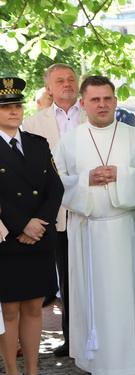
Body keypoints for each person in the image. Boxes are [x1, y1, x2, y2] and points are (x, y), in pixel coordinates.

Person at [54, 75, 135, 375]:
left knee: (130, 296)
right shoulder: (69, 141)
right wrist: (86, 179)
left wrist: (121, 175)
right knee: (93, 298)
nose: (102, 105)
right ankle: (96, 364)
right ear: (83, 103)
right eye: (95, 99)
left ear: (115, 101)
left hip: (127, 229)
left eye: (107, 98)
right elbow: (56, 182)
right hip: (89, 230)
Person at [0, 77, 63, 375]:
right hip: (7, 241)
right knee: (10, 309)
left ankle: (33, 372)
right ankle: (12, 373)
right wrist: (22, 225)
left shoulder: (37, 143)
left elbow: (55, 188)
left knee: (35, 307)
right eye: (6, 107)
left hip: (39, 237)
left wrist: (39, 224)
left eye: (17, 105)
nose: (14, 111)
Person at [22, 63, 86, 358]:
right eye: (59, 81)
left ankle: (97, 334)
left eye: (71, 79)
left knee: (94, 273)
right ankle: (72, 337)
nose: (67, 84)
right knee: (66, 277)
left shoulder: (91, 113)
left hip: (90, 207)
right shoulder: (34, 123)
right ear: (49, 87)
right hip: (56, 213)